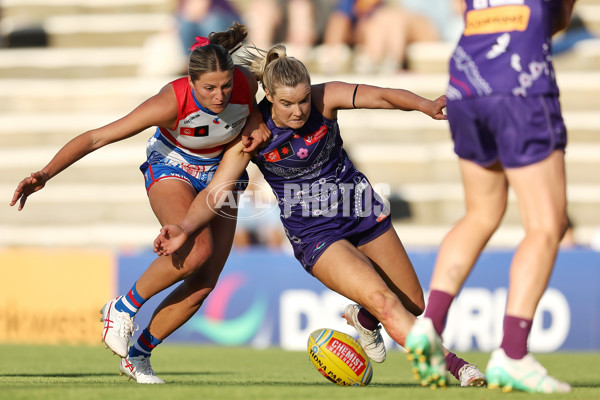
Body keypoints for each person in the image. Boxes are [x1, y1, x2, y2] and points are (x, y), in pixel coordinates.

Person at [153, 44, 487, 388]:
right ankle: (460, 368)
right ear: (268, 95)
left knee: (412, 303)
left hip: (360, 210)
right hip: (316, 233)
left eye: (303, 101)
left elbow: (383, 96)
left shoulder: (325, 98)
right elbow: (216, 189)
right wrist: (183, 227)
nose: (298, 111)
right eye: (286, 103)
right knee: (386, 301)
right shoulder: (254, 135)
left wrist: (425, 105)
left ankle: (364, 318)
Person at [10, 23, 269, 384]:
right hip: (173, 167)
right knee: (197, 252)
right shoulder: (171, 100)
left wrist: (256, 121)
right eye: (209, 88)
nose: (220, 95)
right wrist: (45, 173)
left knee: (205, 283)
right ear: (191, 82)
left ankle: (139, 356)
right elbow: (98, 137)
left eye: (225, 85)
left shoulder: (244, 84)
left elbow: (252, 111)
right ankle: (123, 307)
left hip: (221, 176)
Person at [405, 0, 577, 394]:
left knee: (481, 213)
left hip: (466, 77)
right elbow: (559, 17)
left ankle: (430, 325)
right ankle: (513, 354)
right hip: (519, 81)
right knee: (547, 224)